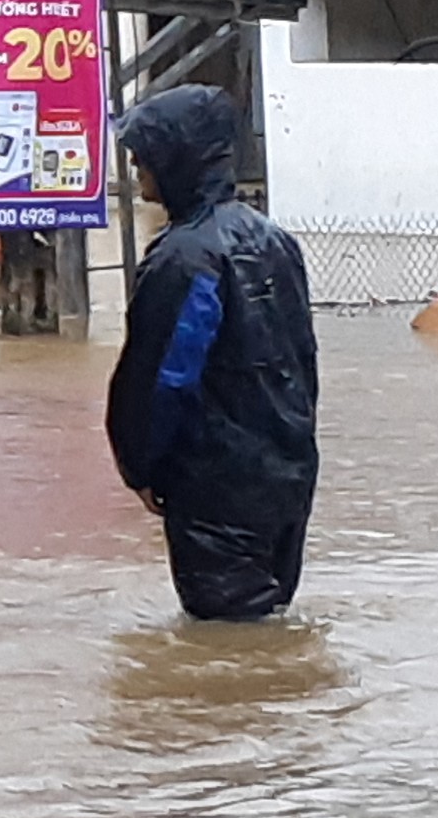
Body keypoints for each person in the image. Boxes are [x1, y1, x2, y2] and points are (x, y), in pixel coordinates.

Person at [106, 85, 319, 621]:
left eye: (144, 157)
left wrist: (140, 467)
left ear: (176, 159)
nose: (136, 169)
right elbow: (302, 362)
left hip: (217, 485)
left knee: (228, 633)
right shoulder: (276, 241)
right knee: (265, 621)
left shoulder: (182, 259)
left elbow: (160, 379)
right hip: (287, 474)